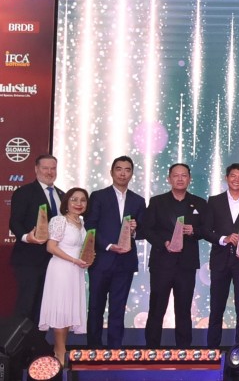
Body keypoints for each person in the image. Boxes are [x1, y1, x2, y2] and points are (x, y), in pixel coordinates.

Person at [140, 163, 206, 346]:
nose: (179, 178)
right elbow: (147, 229)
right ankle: (151, 350)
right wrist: (164, 243)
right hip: (162, 263)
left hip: (186, 265)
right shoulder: (157, 201)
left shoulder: (199, 203)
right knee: (156, 309)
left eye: (183, 175)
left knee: (184, 310)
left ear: (189, 179)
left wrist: (194, 230)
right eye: (175, 175)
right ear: (168, 178)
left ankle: (184, 351)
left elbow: (207, 230)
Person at [85, 156, 145, 347]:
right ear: (111, 172)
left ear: (132, 174)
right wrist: (109, 246)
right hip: (101, 260)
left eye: (127, 170)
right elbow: (90, 226)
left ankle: (114, 349)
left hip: (125, 262)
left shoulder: (138, 200)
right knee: (95, 307)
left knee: (118, 308)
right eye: (118, 169)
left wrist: (135, 230)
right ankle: (93, 349)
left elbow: (144, 231)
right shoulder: (98, 196)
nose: (122, 173)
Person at [203, 163, 239, 347]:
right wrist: (223, 238)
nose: (236, 179)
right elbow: (206, 230)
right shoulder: (214, 201)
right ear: (226, 178)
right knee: (216, 307)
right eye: (233, 176)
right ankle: (212, 350)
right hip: (220, 260)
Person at [38, 187, 92, 364]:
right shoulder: (59, 221)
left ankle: (60, 349)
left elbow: (82, 249)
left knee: (69, 310)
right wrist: (74, 261)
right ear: (66, 203)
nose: (78, 203)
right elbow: (51, 247)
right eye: (74, 199)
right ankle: (60, 352)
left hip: (75, 272)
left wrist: (87, 259)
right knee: (61, 310)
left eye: (82, 200)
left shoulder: (82, 223)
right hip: (61, 270)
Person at [9, 154, 63, 323]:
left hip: (54, 260)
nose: (49, 172)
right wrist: (27, 237)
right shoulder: (24, 192)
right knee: (27, 305)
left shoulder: (62, 195)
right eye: (45, 168)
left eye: (53, 168)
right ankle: (16, 348)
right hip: (29, 260)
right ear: (36, 169)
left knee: (44, 308)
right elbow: (14, 222)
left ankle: (36, 346)